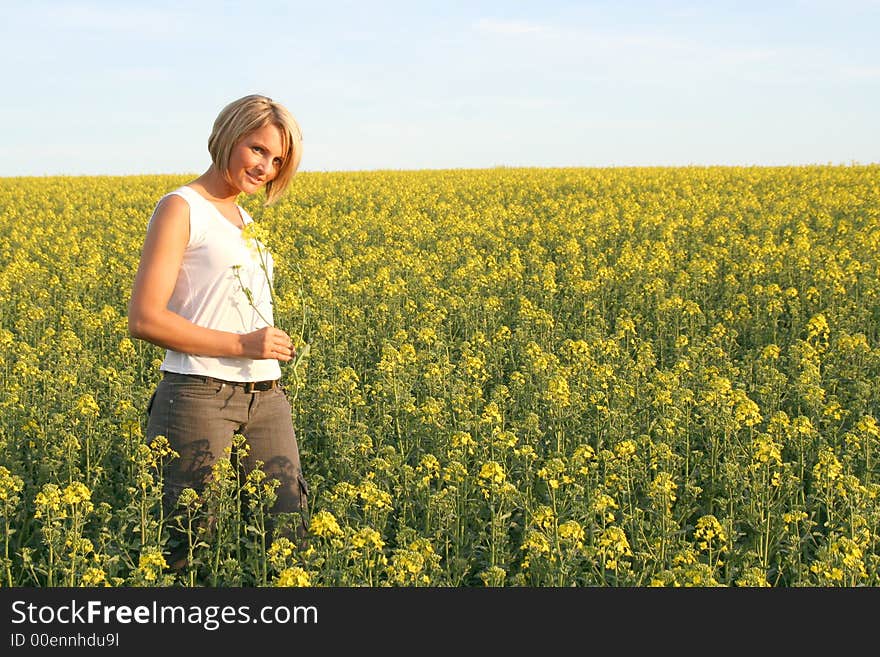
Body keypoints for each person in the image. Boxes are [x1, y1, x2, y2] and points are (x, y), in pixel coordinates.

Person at [127, 94, 309, 569]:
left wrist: (263, 348)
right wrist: (241, 344)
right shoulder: (181, 207)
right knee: (186, 546)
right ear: (228, 137)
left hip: (266, 395)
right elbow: (145, 318)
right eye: (257, 149)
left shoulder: (246, 220)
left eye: (277, 160)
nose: (266, 166)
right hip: (198, 393)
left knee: (288, 537)